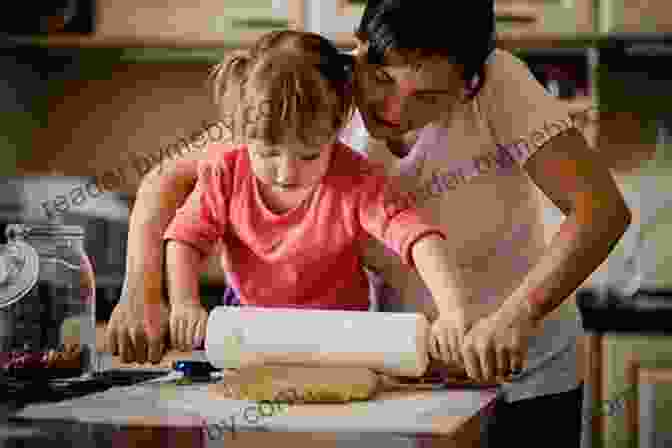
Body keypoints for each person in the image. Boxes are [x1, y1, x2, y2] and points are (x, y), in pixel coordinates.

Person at [107, 1, 631, 446]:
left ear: (471, 82)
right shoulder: (313, 89)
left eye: (427, 96)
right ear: (360, 46)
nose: (395, 110)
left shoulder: (502, 84)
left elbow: (600, 210)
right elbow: (166, 180)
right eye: (381, 78)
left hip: (526, 371)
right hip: (408, 373)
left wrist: (515, 316)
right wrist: (141, 293)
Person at [160, 29, 483, 357]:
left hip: (339, 337)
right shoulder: (224, 175)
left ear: (337, 127)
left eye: (310, 155)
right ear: (244, 133)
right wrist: (184, 304)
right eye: (268, 154)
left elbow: (417, 237)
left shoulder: (356, 179)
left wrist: (453, 310)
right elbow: (185, 238)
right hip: (249, 331)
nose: (287, 173)